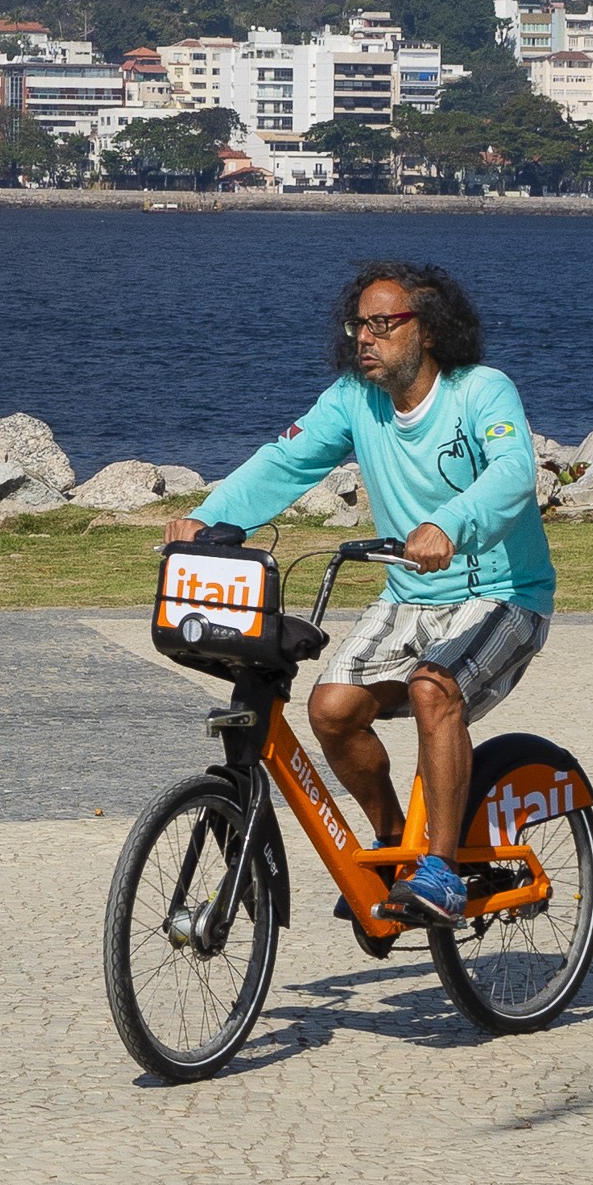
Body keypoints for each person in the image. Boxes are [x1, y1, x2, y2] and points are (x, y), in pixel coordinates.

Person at [164, 259, 551, 923]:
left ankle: (444, 869)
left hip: (502, 590)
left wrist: (450, 525)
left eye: (382, 324)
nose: (363, 338)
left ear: (427, 329)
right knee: (331, 710)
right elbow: (286, 459)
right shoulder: (355, 398)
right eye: (358, 325)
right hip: (411, 593)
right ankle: (398, 844)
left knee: (435, 686)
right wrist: (211, 515)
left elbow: (514, 472)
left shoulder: (482, 391)